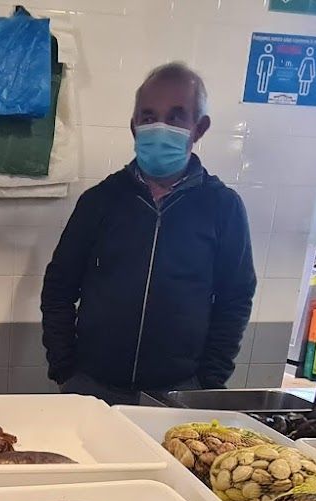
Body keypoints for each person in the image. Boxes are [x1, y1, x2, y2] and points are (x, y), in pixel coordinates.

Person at [40, 62, 257, 405]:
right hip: (92, 389)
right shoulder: (99, 202)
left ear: (198, 128)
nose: (160, 127)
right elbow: (59, 287)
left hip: (180, 392)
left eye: (175, 116)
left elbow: (235, 299)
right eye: (148, 116)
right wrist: (66, 369)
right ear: (134, 126)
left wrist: (208, 380)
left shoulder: (223, 208)